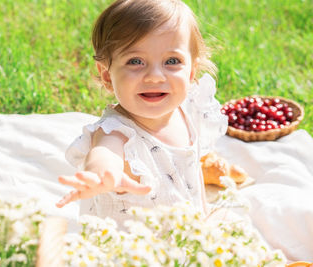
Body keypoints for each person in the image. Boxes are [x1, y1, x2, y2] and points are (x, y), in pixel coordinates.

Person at [56, 0, 228, 227]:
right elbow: (105, 154)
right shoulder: (117, 133)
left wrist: (205, 217)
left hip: (188, 237)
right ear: (108, 76)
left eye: (172, 61)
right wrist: (102, 175)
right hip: (135, 253)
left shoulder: (188, 108)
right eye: (135, 61)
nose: (155, 76)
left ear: (191, 72)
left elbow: (193, 172)